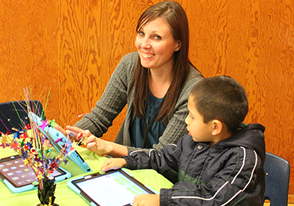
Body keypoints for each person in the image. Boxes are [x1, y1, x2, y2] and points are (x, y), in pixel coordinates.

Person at [64, 1, 203, 157]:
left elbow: (161, 156)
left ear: (177, 44)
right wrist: (65, 139)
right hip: (122, 167)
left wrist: (109, 147)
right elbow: (99, 118)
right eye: (141, 33)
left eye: (156, 37)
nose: (144, 44)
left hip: (163, 177)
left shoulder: (193, 89)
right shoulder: (129, 65)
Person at [101, 75, 266, 206]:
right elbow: (161, 158)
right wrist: (126, 161)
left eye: (192, 116)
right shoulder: (193, 141)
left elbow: (214, 198)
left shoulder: (243, 159)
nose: (186, 121)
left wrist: (163, 200)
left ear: (215, 127)